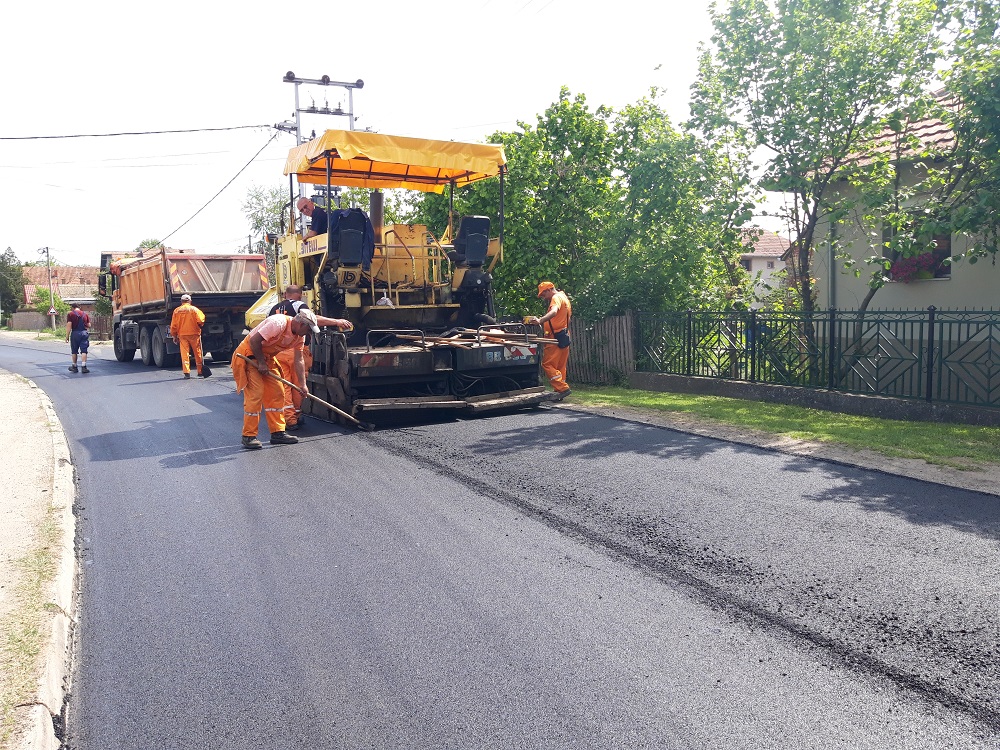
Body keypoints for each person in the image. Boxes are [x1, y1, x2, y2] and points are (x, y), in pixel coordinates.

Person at [232, 308, 352, 450]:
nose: (308, 334)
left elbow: (299, 360)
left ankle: (278, 433)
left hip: (267, 359)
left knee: (277, 393)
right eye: (308, 330)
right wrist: (261, 363)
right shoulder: (278, 323)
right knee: (256, 394)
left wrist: (302, 385)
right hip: (249, 356)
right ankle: (249, 436)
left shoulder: (299, 337)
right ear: (301, 324)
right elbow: (254, 341)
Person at [267, 285, 325, 430]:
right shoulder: (300, 305)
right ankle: (296, 417)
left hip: (279, 352)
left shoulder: (273, 308)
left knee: (285, 386)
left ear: (285, 294)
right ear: (299, 295)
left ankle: (290, 419)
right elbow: (313, 319)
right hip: (298, 351)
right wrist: (337, 322)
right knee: (300, 383)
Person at [527, 281, 573, 400]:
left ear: (549, 290)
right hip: (564, 335)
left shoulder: (556, 298)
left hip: (554, 337)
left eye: (543, 294)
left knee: (547, 364)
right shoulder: (564, 297)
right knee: (560, 366)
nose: (543, 297)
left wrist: (539, 321)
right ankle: (559, 392)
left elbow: (554, 312)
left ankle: (562, 388)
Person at [169, 294, 207, 378]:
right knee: (197, 352)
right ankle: (200, 371)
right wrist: (200, 325)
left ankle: (186, 372)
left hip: (182, 335)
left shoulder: (177, 311)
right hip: (194, 334)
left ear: (181, 301)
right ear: (190, 301)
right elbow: (201, 320)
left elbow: (173, 325)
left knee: (184, 353)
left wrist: (174, 335)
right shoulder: (194, 309)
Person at [65, 304, 91, 373]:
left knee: (74, 350)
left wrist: (67, 336)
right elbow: (89, 325)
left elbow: (69, 326)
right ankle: (84, 366)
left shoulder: (70, 314)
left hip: (75, 333)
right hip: (84, 333)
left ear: (73, 308)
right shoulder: (85, 314)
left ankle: (74, 366)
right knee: (84, 350)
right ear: (79, 308)